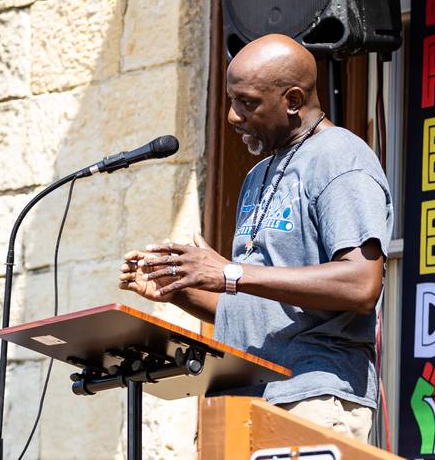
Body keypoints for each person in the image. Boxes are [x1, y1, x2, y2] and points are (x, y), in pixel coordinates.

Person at [118, 34, 393, 443]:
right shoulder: (257, 176)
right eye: (231, 101)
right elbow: (253, 308)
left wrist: (227, 272)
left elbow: (361, 283)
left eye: (247, 103)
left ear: (294, 100)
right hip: (237, 402)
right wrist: (179, 286)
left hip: (310, 398)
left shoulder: (340, 158)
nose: (232, 116)